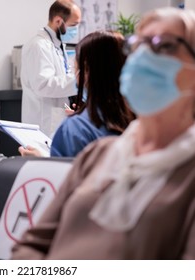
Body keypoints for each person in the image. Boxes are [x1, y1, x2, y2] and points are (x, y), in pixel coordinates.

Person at [12, 7, 195, 259]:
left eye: (162, 46)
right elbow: (30, 245)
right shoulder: (98, 155)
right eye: (136, 45)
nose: (141, 57)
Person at [19, 30, 135, 158]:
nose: (74, 75)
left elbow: (65, 173)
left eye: (75, 68)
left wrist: (43, 160)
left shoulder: (75, 129)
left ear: (86, 72)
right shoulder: (140, 119)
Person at [21, 0, 82, 137]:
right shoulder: (39, 46)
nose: (76, 30)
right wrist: (79, 80)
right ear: (58, 21)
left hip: (56, 121)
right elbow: (43, 85)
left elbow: (61, 82)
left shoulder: (57, 45)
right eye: (73, 25)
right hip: (43, 124)